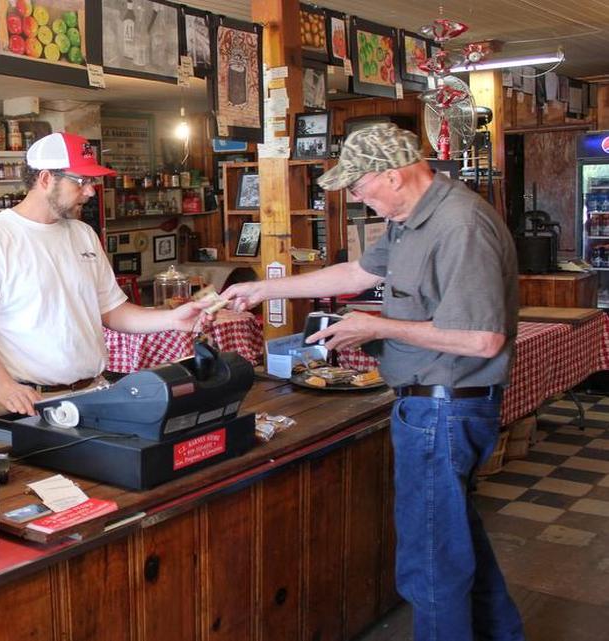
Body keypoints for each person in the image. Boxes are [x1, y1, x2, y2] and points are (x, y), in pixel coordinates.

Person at [219, 123, 523, 641]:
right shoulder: (408, 218)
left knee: (431, 565)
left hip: (444, 410)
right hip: (429, 406)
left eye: (359, 186)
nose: (356, 197)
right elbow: (357, 274)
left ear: (394, 175)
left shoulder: (459, 225)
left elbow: (481, 339)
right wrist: (264, 289)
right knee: (455, 542)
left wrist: (377, 327)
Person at [0, 132, 209, 419]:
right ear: (46, 179)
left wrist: (172, 319)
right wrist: (4, 386)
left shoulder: (83, 234)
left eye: (92, 181)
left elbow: (112, 311)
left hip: (91, 393)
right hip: (27, 401)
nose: (91, 192)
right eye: (81, 181)